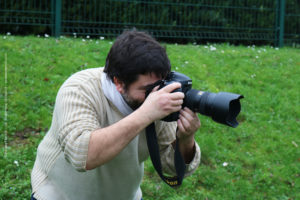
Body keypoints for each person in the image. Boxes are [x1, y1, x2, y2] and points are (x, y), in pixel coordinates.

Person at [31, 29, 201, 200]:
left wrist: (186, 139)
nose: (156, 95)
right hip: (59, 193)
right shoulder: (79, 89)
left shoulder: (160, 99)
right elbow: (81, 155)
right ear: (118, 82)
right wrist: (146, 114)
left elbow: (171, 167)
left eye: (160, 85)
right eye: (147, 90)